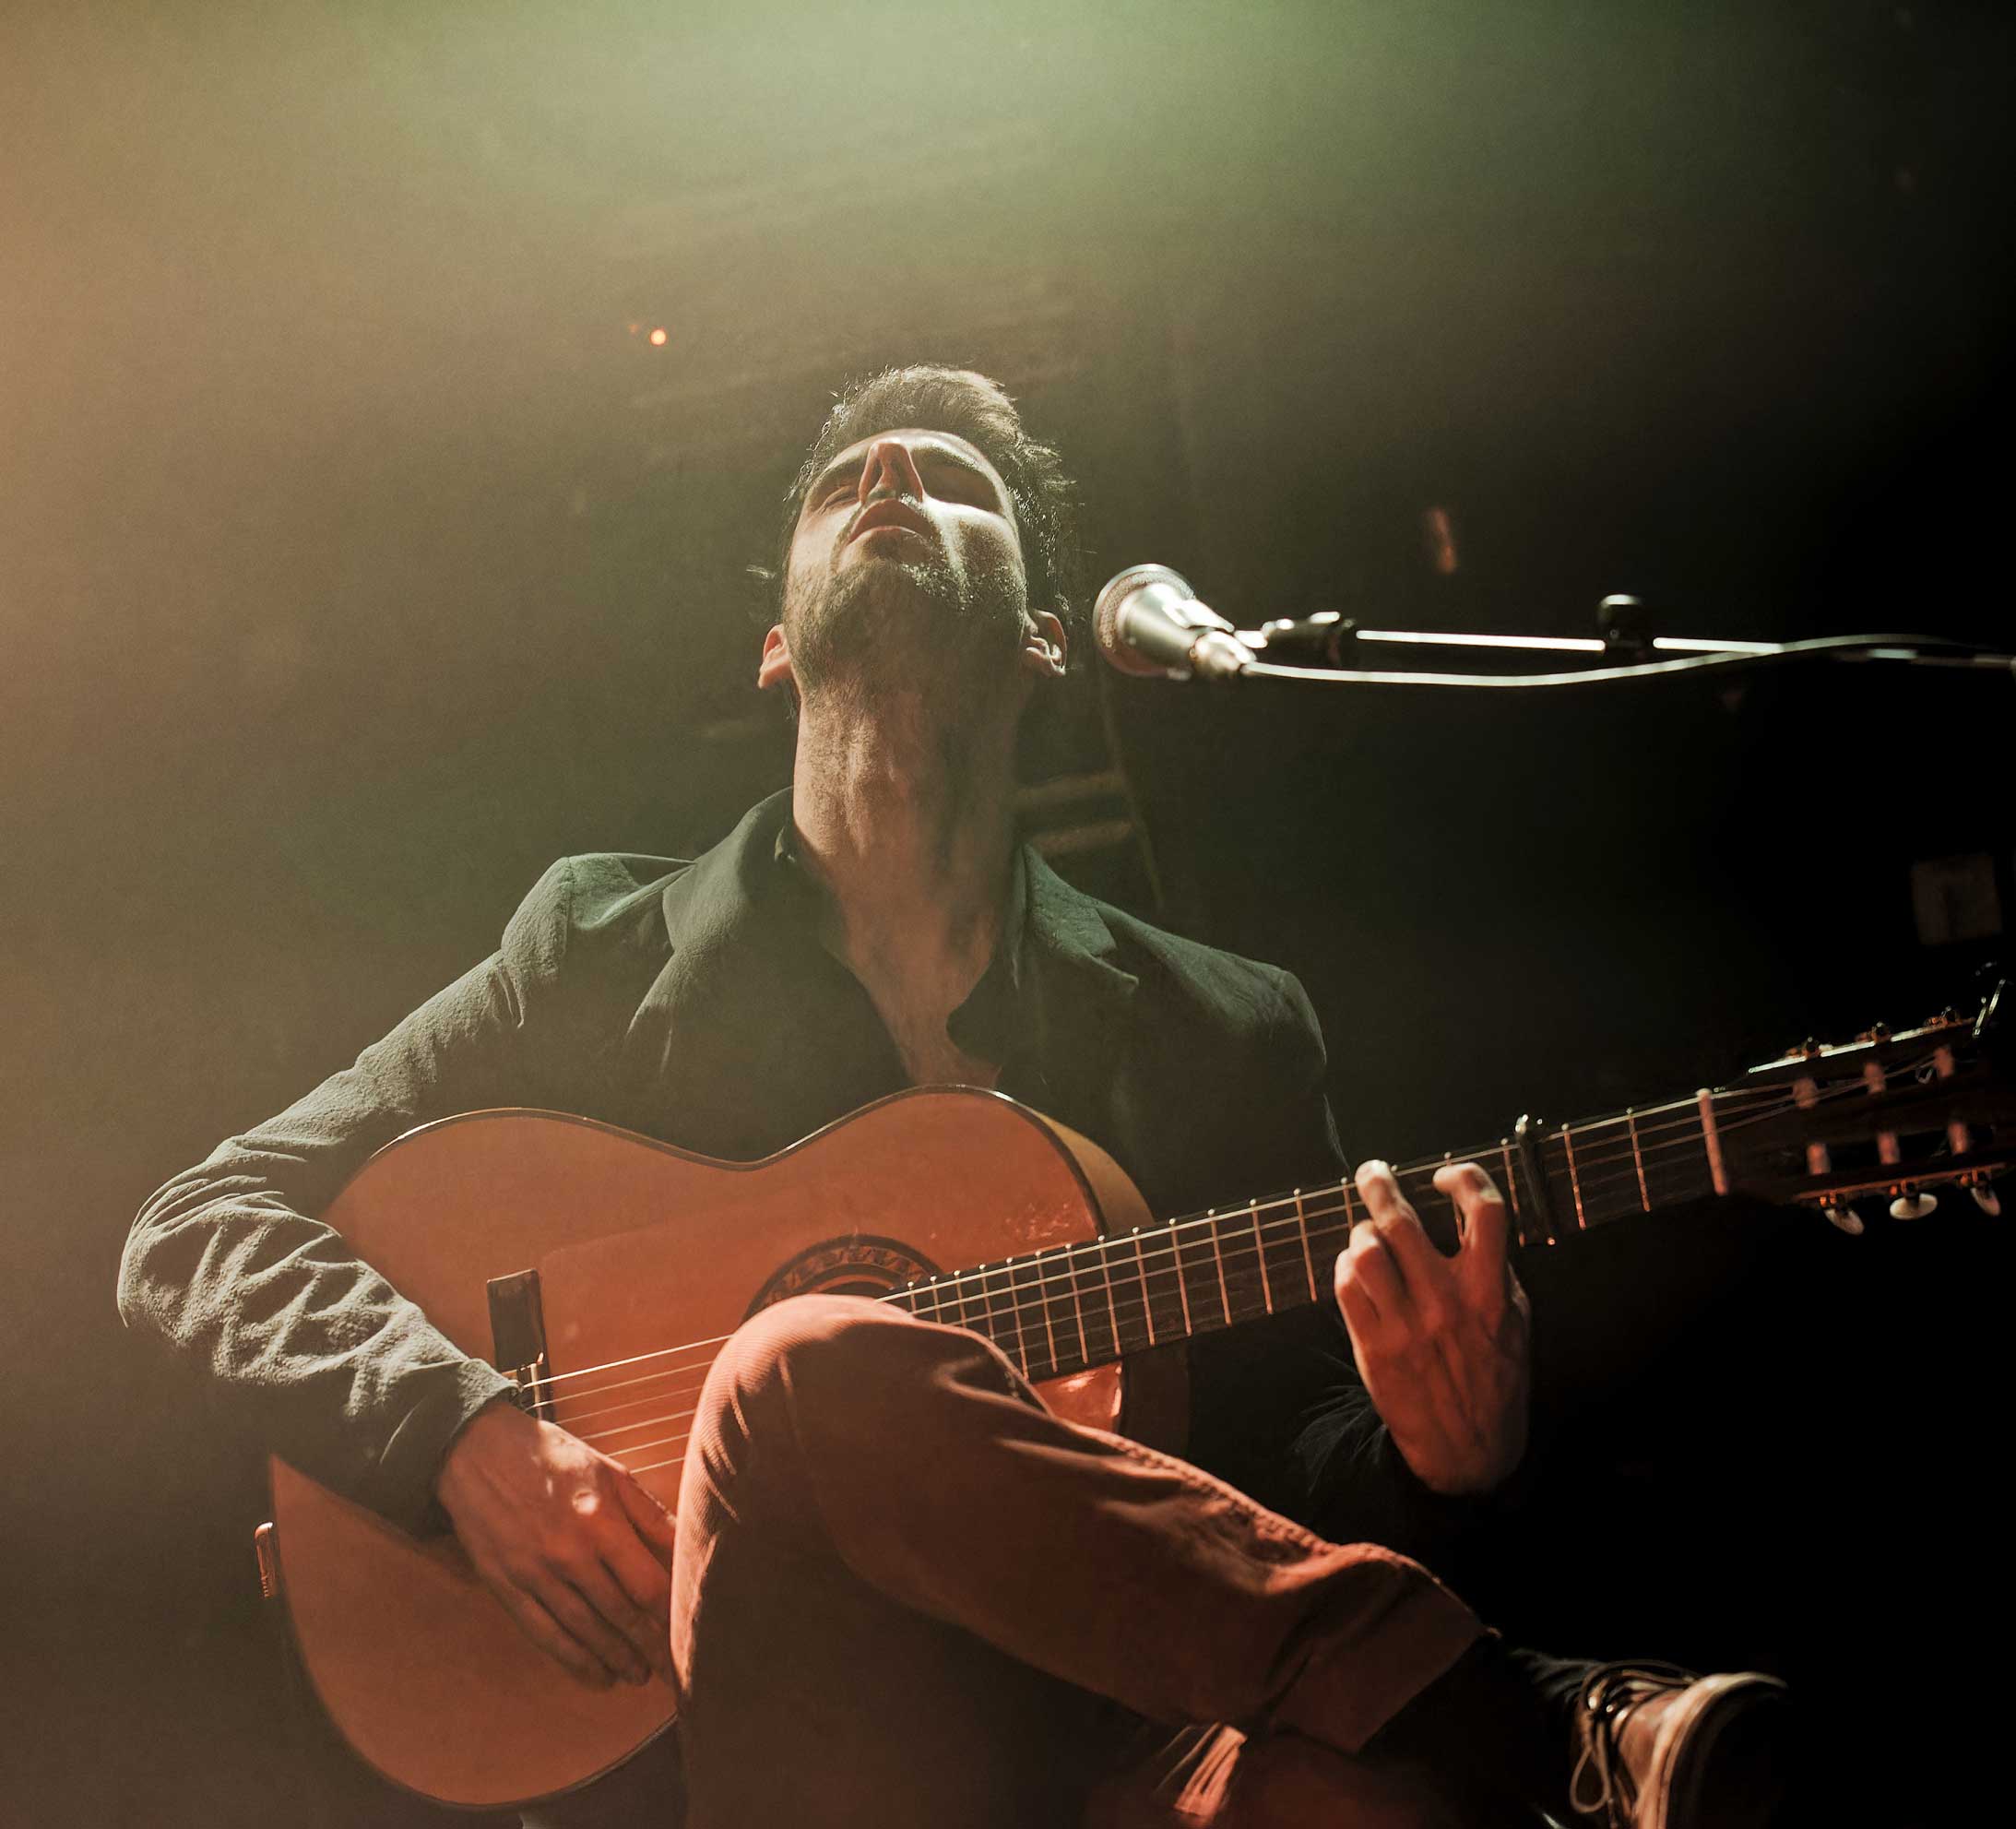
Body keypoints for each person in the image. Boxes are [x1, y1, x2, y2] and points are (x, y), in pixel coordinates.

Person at [119, 365, 1788, 1828]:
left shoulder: (1222, 1030)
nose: (892, 484)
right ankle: (1523, 1714)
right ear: (777, 642)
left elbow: (1271, 1477)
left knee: (1361, 1803)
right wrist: (461, 1432)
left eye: (952, 478)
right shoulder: (588, 950)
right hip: (776, 1754)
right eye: (848, 478)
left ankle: (1481, 1741)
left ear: (1049, 639)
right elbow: (196, 1229)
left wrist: (1443, 1458)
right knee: (805, 1362)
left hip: (1135, 1757)